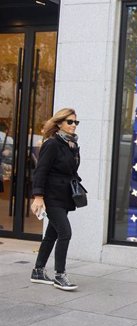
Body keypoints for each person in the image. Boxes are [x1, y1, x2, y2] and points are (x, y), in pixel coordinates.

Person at [29, 108, 83, 291]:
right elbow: (41, 171)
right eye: (70, 122)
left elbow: (70, 170)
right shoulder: (52, 144)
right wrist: (38, 197)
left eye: (76, 122)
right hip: (51, 197)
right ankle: (60, 275)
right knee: (65, 233)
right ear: (59, 123)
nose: (73, 125)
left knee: (52, 234)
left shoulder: (71, 144)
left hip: (64, 196)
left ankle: (38, 271)